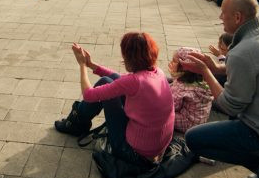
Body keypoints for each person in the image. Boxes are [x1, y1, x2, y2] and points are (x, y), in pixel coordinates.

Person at [182, 0, 259, 178]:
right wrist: (215, 67)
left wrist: (205, 72)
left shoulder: (243, 51)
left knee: (194, 139)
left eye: (223, 13)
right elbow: (254, 67)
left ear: (238, 17)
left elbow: (229, 106)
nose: (220, 17)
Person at [55, 33, 174, 166]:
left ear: (128, 57)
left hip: (134, 152)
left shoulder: (134, 81)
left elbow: (88, 94)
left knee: (104, 82)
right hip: (157, 147)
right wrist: (92, 65)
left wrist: (82, 65)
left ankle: (75, 124)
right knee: (107, 82)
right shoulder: (157, 72)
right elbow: (120, 78)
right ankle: (76, 122)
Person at [168, 47, 213, 134]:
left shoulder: (182, 87)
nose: (171, 63)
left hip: (188, 124)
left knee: (159, 113)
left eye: (174, 61)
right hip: (200, 118)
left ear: (184, 67)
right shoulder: (204, 81)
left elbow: (172, 106)